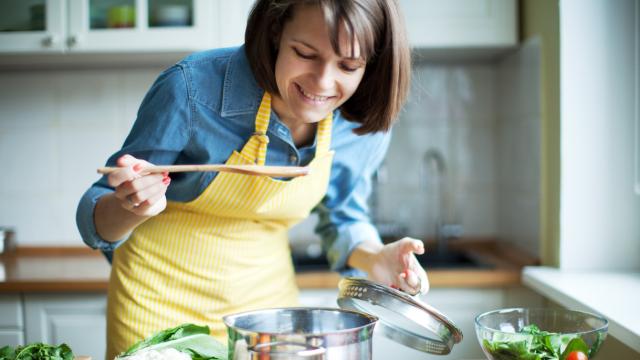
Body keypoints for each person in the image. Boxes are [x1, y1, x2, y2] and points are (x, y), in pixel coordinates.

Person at [76, 0, 429, 358]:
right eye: (305, 53)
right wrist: (132, 205)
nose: (323, 82)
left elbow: (342, 217)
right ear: (276, 31)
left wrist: (376, 258)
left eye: (348, 65)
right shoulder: (192, 88)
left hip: (267, 319)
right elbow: (95, 222)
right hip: (156, 311)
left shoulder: (359, 126)